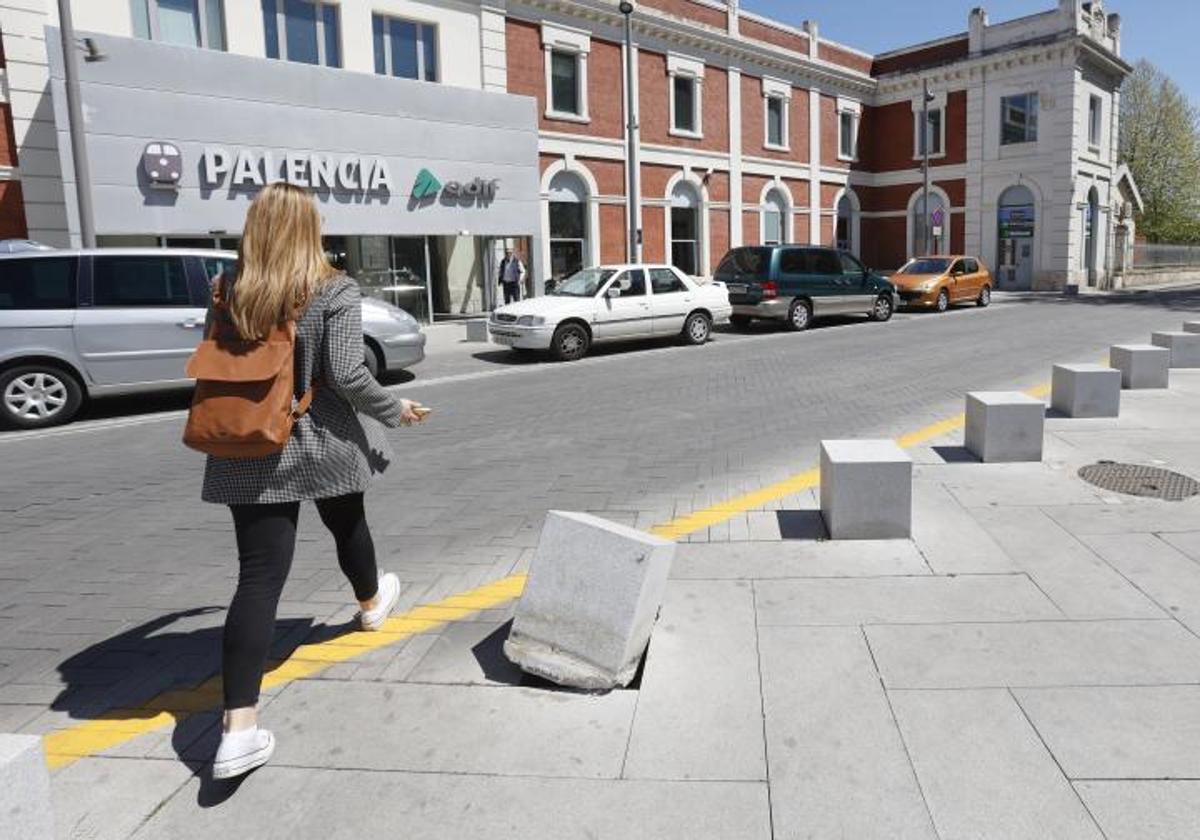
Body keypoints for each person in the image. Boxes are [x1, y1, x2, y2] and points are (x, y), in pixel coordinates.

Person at [201, 182, 426, 780]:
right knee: (347, 523)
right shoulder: (333, 288)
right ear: (309, 229)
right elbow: (348, 374)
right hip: (318, 437)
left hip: (247, 445)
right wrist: (394, 409)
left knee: (258, 577)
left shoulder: (227, 289)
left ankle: (237, 731)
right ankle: (372, 603)